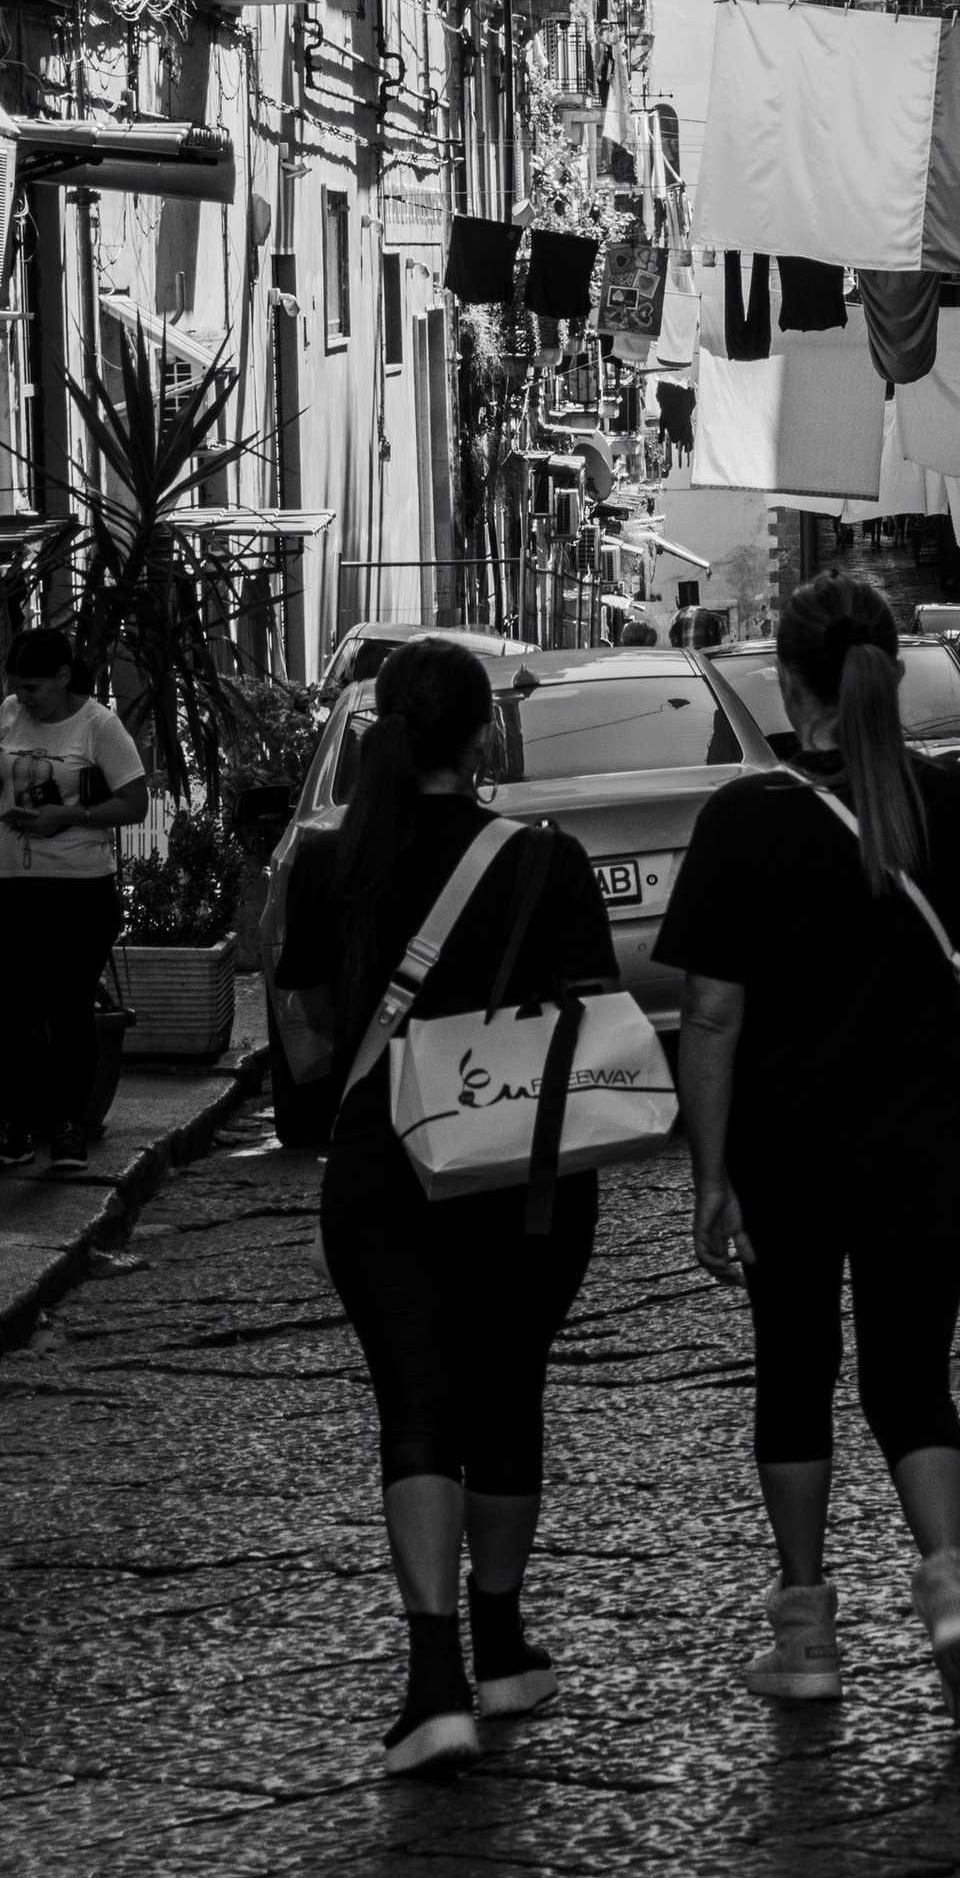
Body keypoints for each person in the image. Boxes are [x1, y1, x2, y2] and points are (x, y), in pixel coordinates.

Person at [655, 568, 960, 1732]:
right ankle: (951, 1593)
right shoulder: (958, 807)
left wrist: (710, 1176)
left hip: (789, 1145)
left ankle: (806, 1631)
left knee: (794, 1374)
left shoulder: (743, 821)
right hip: (928, 1136)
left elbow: (710, 1014)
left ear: (786, 678)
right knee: (911, 1380)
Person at [277, 636, 618, 1780]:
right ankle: (504, 1646)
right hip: (524, 1176)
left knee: (415, 1407)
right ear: (483, 736)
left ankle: (434, 1683)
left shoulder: (327, 860)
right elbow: (594, 1014)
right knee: (507, 1389)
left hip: (383, 1170)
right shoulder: (541, 859)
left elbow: (306, 1041)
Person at [0, 626, 148, 1171]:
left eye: (35, 687)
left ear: (64, 677)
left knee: (68, 1007)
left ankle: (69, 1128)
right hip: (4, 883)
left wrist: (71, 816)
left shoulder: (99, 727)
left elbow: (135, 803)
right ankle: (10, 1129)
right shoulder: (10, 714)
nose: (25, 697)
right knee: (7, 1009)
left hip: (78, 888)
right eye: (17, 686)